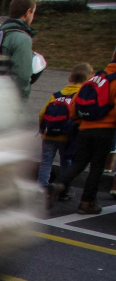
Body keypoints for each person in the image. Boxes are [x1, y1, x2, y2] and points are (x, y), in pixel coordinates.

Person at [51, 46, 116, 215]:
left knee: (79, 162)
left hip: (84, 127)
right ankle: (87, 202)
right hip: (105, 130)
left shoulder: (96, 76)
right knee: (96, 168)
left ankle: (58, 184)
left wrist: (78, 121)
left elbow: (76, 101)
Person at [39, 63, 92, 201]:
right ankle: (63, 189)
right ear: (88, 80)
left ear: (70, 78)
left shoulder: (56, 95)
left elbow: (42, 113)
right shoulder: (80, 96)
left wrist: (42, 129)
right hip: (67, 136)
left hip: (49, 134)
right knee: (66, 162)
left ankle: (42, 188)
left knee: (46, 161)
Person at [0, 0, 37, 101]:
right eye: (33, 12)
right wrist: (21, 102)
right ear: (28, 12)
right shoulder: (22, 38)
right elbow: (22, 77)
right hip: (7, 100)